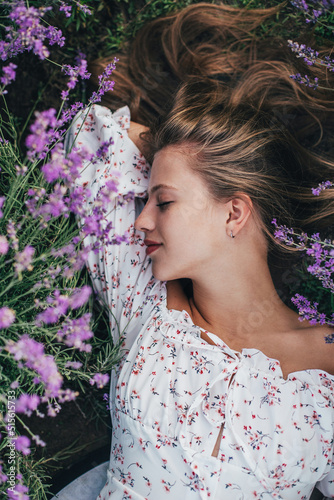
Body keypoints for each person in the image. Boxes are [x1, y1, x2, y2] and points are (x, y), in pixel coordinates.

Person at [67, 3, 334, 499]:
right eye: (145, 199)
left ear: (234, 214)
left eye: (162, 201)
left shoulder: (327, 363)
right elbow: (92, 133)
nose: (141, 219)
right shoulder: (144, 304)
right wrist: (175, 152)